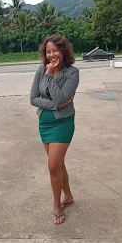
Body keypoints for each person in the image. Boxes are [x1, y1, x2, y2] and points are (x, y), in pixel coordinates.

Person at [30, 35, 79, 225]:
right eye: (48, 51)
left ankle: (56, 204)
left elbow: (61, 97)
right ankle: (68, 196)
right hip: (45, 123)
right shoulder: (40, 70)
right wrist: (56, 106)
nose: (52, 54)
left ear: (63, 51)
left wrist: (50, 75)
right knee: (57, 164)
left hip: (63, 124)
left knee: (52, 166)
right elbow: (33, 99)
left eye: (55, 50)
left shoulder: (72, 73)